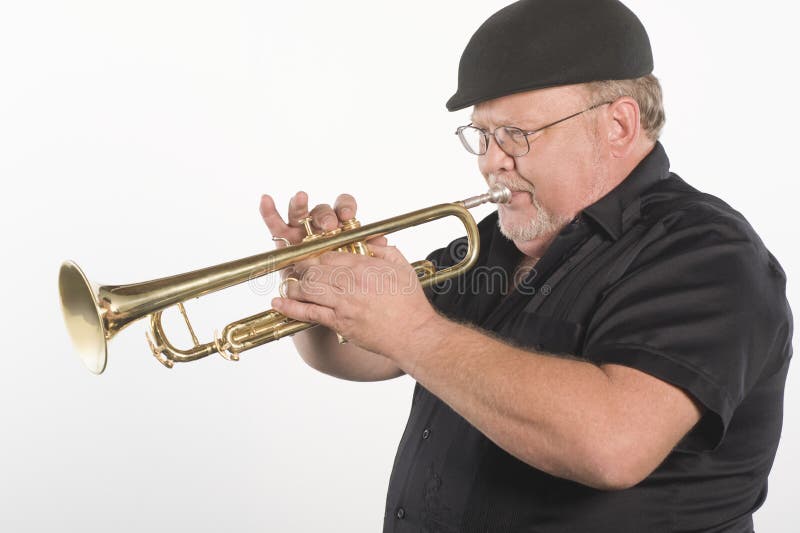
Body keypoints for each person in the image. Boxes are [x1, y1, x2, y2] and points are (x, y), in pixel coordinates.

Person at [259, 0, 792, 531]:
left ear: (619, 124)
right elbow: (371, 355)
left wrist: (414, 330)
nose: (492, 159)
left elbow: (612, 444)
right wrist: (315, 288)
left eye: (517, 133)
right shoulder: (499, 239)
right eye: (483, 136)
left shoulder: (709, 254)